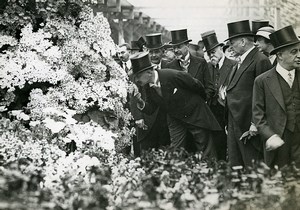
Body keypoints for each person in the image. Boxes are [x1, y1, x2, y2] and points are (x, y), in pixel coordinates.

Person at [131, 52, 222, 158]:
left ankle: (210, 172)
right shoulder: (148, 87)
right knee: (175, 150)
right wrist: (139, 100)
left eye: (138, 76)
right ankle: (177, 172)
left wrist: (198, 105)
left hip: (195, 114)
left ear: (149, 72)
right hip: (174, 118)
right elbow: (151, 109)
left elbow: (197, 86)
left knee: (205, 147)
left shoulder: (172, 75)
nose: (136, 80)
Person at [225, 20, 272, 167]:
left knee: (251, 164)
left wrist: (255, 124)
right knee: (236, 163)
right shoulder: (239, 62)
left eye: (232, 43)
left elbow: (266, 95)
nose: (231, 47)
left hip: (248, 124)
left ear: (243, 41)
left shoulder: (260, 60)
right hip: (235, 120)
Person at [253, 25, 300, 168]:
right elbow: (258, 116)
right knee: (280, 183)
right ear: (279, 55)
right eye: (294, 52)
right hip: (278, 143)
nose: (299, 55)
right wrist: (270, 136)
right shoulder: (262, 81)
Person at [131, 33, 170, 155]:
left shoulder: (171, 66)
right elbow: (133, 95)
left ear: (162, 52)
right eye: (151, 52)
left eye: (157, 51)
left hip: (167, 119)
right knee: (147, 153)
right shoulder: (138, 68)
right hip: (147, 118)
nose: (154, 55)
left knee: (167, 152)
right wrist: (138, 117)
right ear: (146, 51)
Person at [201, 30, 237, 160]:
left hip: (228, 110)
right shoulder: (207, 67)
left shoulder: (233, 65)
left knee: (231, 143)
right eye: (209, 53)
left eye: (213, 52)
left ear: (221, 48)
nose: (212, 56)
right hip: (212, 112)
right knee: (216, 143)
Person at [164, 29, 214, 103]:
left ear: (187, 45)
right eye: (174, 47)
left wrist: (202, 101)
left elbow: (210, 87)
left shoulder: (201, 63)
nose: (176, 50)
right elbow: (167, 92)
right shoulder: (169, 66)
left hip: (198, 110)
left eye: (179, 47)